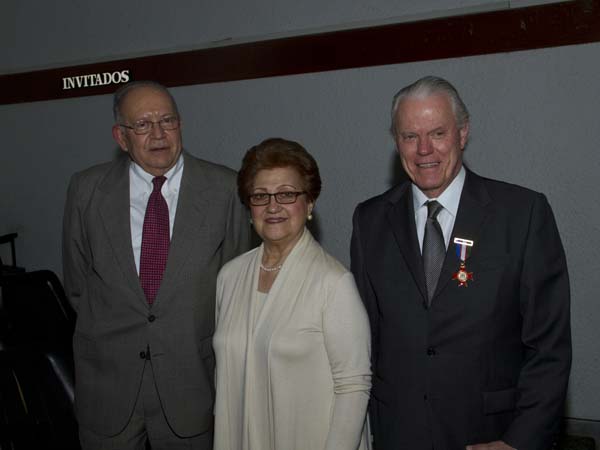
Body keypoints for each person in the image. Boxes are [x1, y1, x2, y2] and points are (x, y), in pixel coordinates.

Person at [350, 76, 571, 450]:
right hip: (398, 434)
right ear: (396, 142)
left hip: (490, 435)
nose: (424, 149)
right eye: (410, 136)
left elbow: (549, 347)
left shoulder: (522, 214)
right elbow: (362, 341)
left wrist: (520, 441)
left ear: (463, 133)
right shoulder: (369, 220)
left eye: (437, 133)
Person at [62, 80, 252, 450]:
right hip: (109, 388)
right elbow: (78, 286)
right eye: (143, 124)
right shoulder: (86, 190)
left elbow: (236, 289)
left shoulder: (226, 189)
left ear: (180, 124)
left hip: (193, 386)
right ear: (121, 137)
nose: (158, 134)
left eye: (167, 120)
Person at [213, 137, 371, 450]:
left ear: (309, 203)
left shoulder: (334, 283)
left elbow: (354, 387)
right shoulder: (229, 277)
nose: (273, 206)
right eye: (260, 196)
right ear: (249, 207)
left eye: (286, 194)